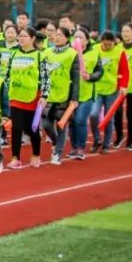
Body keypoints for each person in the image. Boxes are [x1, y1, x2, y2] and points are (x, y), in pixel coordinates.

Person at [5, 27, 45, 169]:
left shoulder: (40, 56)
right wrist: (5, 92)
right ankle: (15, 158)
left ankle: (36, 154)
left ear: (33, 38)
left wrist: (44, 96)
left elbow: (46, 78)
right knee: (16, 128)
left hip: (33, 98)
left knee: (31, 129)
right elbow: (8, 75)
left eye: (24, 36)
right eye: (20, 36)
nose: (21, 39)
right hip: (16, 96)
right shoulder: (14, 54)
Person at [42, 28, 79, 165]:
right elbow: (43, 75)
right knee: (46, 124)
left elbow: (76, 78)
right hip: (48, 95)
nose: (57, 38)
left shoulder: (72, 54)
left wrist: (74, 98)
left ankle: (57, 153)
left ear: (67, 38)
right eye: (55, 35)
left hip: (65, 95)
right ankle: (57, 143)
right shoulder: (46, 53)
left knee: (61, 126)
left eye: (60, 36)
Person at [69, 27, 104, 160]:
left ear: (87, 40)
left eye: (81, 37)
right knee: (72, 121)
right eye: (75, 37)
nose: (77, 39)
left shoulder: (94, 53)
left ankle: (80, 148)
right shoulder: (70, 52)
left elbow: (100, 72)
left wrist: (90, 76)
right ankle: (73, 147)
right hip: (71, 93)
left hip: (87, 93)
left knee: (80, 120)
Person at [91, 31, 125, 154]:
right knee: (93, 114)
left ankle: (106, 144)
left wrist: (123, 85)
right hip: (96, 88)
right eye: (106, 44)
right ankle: (96, 139)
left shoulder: (119, 51)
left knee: (108, 118)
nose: (108, 46)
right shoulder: (94, 49)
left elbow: (124, 70)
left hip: (112, 89)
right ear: (102, 41)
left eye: (111, 44)